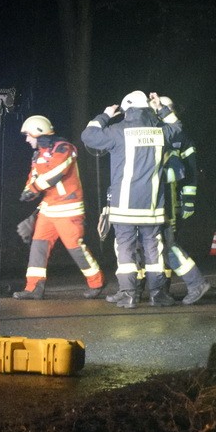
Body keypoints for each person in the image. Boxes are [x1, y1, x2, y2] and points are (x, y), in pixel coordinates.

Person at [81, 90, 181, 308]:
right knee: (153, 249)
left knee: (125, 248)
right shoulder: (159, 132)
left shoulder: (117, 131)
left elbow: (88, 136)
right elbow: (177, 128)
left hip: (124, 206)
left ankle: (129, 294)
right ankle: (157, 294)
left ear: (127, 110)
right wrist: (161, 109)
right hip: (151, 205)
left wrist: (105, 115)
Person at [12, 115, 104, 299]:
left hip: (68, 208)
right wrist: (28, 190)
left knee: (74, 247)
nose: (27, 139)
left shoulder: (64, 148)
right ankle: (34, 288)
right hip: (48, 208)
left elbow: (56, 171)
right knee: (38, 247)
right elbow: (34, 176)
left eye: (28, 135)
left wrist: (33, 189)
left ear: (38, 133)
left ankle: (97, 282)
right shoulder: (38, 153)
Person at [156, 96, 210, 305]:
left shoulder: (182, 137)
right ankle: (163, 290)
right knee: (159, 245)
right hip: (159, 199)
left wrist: (188, 201)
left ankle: (195, 283)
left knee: (167, 244)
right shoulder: (157, 133)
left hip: (167, 200)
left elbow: (190, 172)